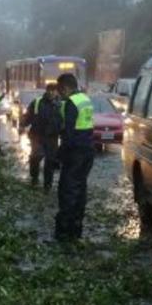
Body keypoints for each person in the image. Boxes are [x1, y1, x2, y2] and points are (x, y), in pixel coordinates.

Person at [54, 73, 95, 243]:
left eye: (60, 91)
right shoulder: (85, 99)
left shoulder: (71, 103)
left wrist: (59, 156)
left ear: (65, 87)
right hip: (87, 151)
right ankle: (77, 229)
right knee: (80, 190)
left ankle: (64, 232)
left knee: (67, 191)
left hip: (75, 153)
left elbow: (68, 135)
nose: (59, 95)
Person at [21, 83, 61, 191]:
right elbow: (28, 115)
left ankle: (47, 185)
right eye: (49, 90)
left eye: (54, 90)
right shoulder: (37, 102)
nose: (51, 93)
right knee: (36, 157)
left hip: (52, 137)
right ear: (46, 91)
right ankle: (34, 178)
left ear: (57, 92)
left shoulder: (60, 104)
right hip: (37, 135)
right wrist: (22, 125)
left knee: (50, 162)